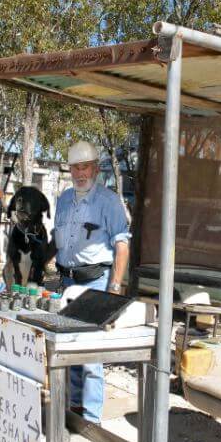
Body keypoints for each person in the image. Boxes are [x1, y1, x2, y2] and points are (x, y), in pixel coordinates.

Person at [54, 140, 130, 424]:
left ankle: (93, 418)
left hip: (96, 282)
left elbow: (122, 245)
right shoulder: (63, 199)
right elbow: (58, 240)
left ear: (96, 169)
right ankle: (75, 408)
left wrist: (114, 290)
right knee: (69, 348)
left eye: (85, 166)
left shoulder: (108, 201)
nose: (79, 173)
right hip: (66, 281)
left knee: (91, 356)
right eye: (75, 167)